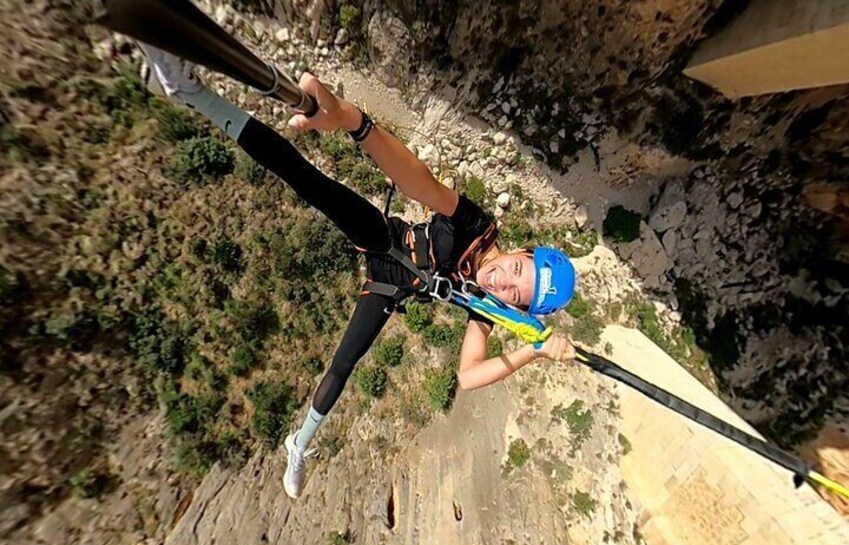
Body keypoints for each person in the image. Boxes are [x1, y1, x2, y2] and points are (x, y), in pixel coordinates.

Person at [139, 44, 577, 500]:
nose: (502, 282)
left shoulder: (489, 308)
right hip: (387, 239)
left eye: (516, 294)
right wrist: (353, 121)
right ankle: (192, 92)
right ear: (523, 250)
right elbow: (417, 180)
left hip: (392, 286)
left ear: (518, 307)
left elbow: (468, 376)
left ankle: (299, 442)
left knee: (344, 364)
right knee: (304, 177)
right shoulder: (478, 227)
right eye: (516, 269)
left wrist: (535, 351)